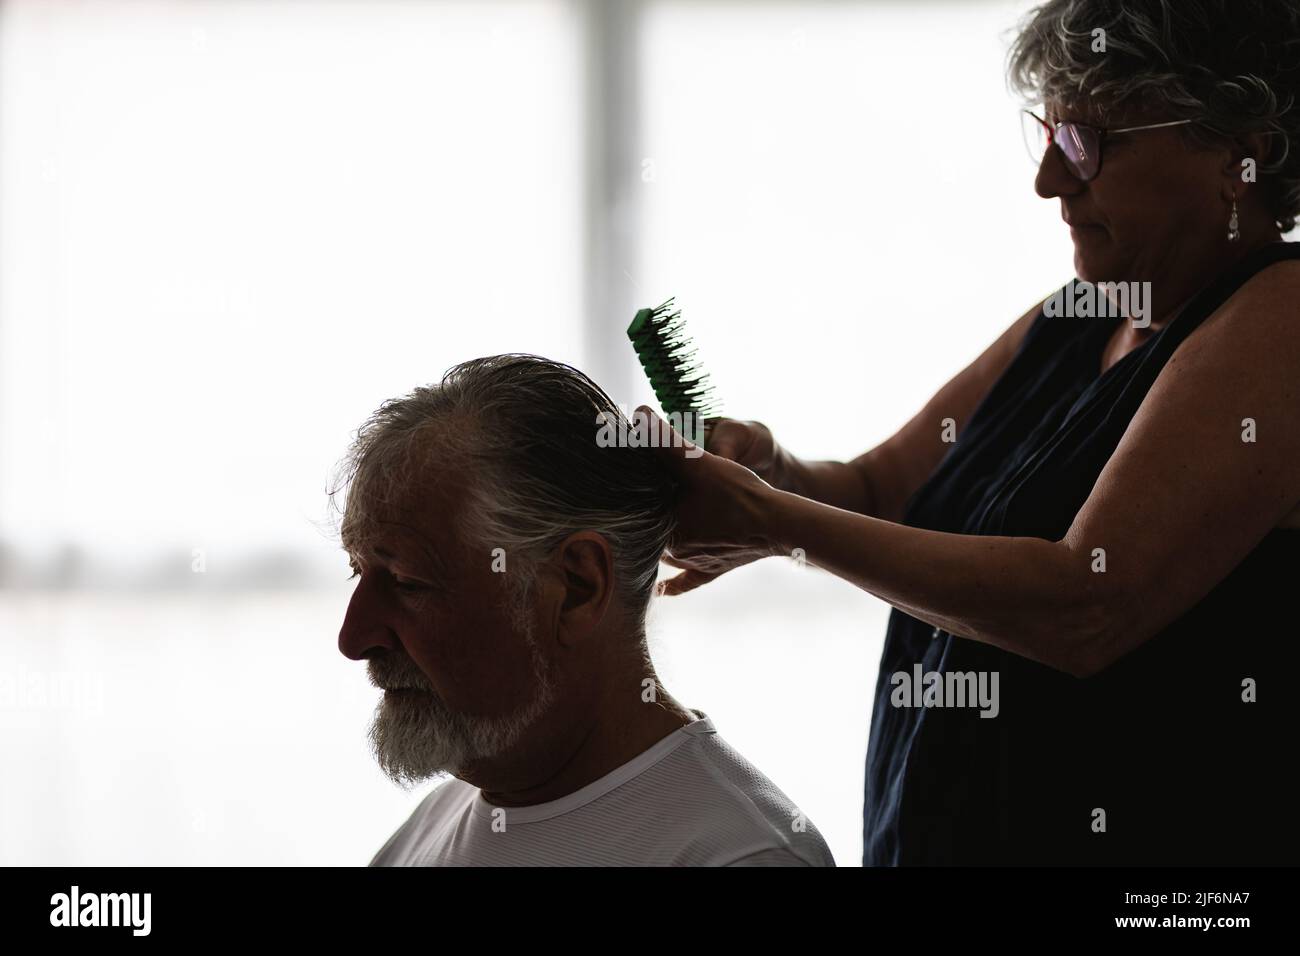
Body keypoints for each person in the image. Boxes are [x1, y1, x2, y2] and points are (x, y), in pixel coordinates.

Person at [646, 0, 1300, 864]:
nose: (1051, 182)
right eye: (1051, 136)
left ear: (1239, 158)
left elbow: (1087, 605)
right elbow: (882, 494)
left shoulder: (1281, 320)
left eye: (1093, 144)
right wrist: (772, 473)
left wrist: (773, 523)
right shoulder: (1082, 314)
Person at [333, 355, 835, 867]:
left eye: (407, 582)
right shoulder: (433, 824)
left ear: (577, 586)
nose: (353, 638)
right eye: (358, 572)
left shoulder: (736, 855)